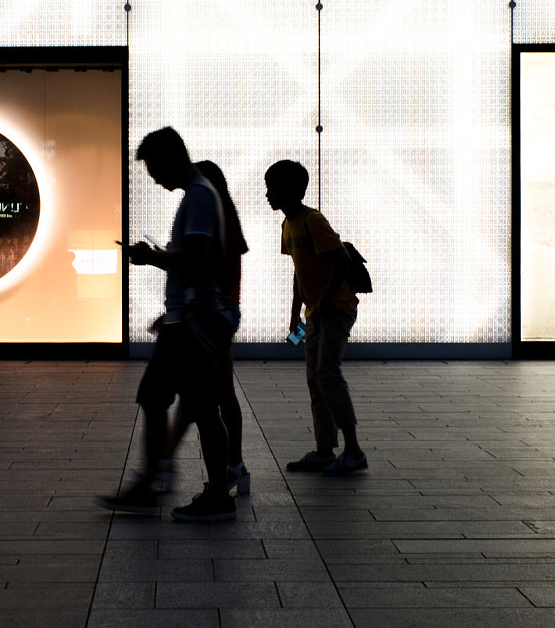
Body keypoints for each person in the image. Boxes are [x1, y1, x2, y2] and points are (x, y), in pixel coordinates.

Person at [98, 127, 234, 522]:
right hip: (186, 318)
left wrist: (151, 256)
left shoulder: (199, 197)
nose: (154, 178)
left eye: (155, 168)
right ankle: (181, 488)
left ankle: (202, 493)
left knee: (181, 403)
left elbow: (195, 256)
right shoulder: (202, 195)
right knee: (175, 401)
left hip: (190, 322)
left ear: (174, 158)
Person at [265, 159, 367, 476]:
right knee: (316, 380)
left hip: (336, 308)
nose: (267, 194)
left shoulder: (313, 220)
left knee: (327, 375)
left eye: (273, 188)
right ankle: (325, 451)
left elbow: (342, 260)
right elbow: (300, 271)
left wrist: (321, 301)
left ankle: (353, 451)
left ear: (292, 191)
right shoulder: (288, 225)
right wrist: (296, 310)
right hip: (316, 312)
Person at [157, 160, 251, 496]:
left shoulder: (212, 220)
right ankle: (233, 465)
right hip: (219, 313)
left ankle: (168, 463)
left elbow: (209, 272)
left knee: (201, 397)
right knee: (216, 393)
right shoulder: (227, 220)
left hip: (211, 315)